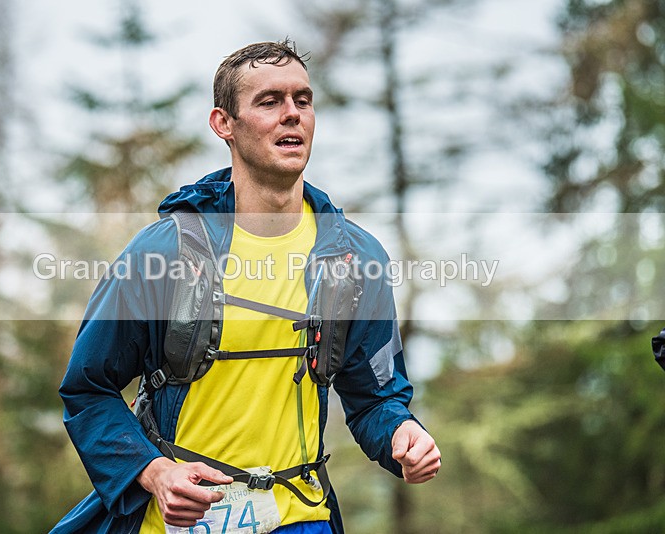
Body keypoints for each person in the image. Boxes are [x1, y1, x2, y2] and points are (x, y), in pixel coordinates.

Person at [52, 39, 440, 534]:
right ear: (223, 124)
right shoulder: (165, 252)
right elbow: (89, 389)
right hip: (180, 523)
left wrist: (403, 432)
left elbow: (375, 399)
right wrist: (155, 472)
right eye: (269, 101)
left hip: (302, 517)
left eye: (303, 99)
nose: (292, 114)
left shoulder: (355, 257)